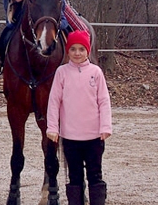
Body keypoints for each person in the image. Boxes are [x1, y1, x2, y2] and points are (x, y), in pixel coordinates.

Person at [46, 30, 112, 205]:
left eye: (81, 49)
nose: (77, 53)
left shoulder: (96, 72)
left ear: (87, 51)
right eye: (73, 49)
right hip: (70, 137)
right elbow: (54, 101)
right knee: (74, 176)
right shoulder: (62, 72)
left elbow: (104, 101)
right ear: (68, 51)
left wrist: (106, 127)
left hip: (94, 136)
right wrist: (52, 127)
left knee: (95, 174)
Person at [0, 0, 85, 70]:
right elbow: (10, 23)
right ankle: (3, 66)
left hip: (49, 25)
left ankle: (77, 65)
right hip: (22, 28)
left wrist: (54, 25)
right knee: (4, 36)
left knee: (71, 33)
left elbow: (63, 20)